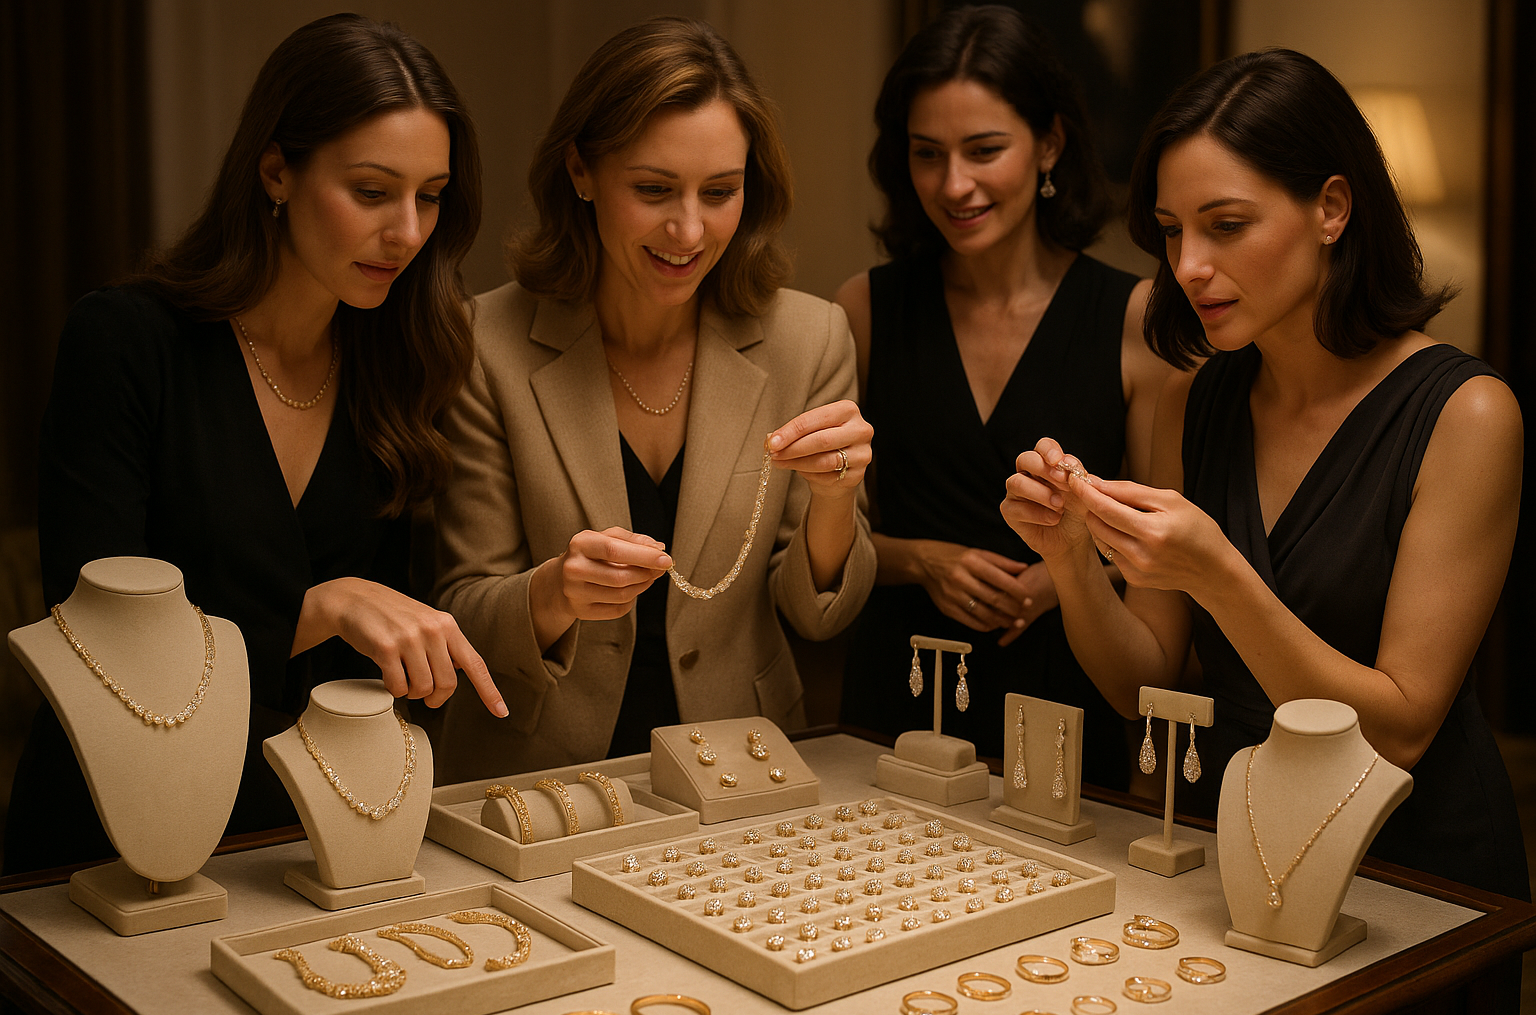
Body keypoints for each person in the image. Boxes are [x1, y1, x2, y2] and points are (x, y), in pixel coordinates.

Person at [1001, 49, 1527, 898]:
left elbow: (1397, 735)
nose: (1189, 266)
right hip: (1236, 846)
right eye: (1173, 230)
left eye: (1227, 225)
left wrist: (1218, 573)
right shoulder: (1199, 400)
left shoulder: (1466, 415)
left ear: (1331, 207)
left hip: (1412, 867)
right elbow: (1145, 687)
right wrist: (1067, 555)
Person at [7, 14, 506, 874]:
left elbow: (387, 659)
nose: (410, 233)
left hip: (299, 838)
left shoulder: (399, 359)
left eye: (431, 195)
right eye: (373, 191)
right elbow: (96, 640)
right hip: (108, 842)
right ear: (276, 170)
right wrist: (320, 607)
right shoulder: (126, 341)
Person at [431, 16, 876, 781]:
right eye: (653, 189)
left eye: (721, 192)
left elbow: (819, 614)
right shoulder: (486, 343)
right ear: (580, 172)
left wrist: (836, 499)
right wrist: (554, 593)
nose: (689, 229)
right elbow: (462, 608)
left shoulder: (811, 337)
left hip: (746, 767)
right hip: (536, 776)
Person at [835, 5, 1173, 788]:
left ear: (1050, 143)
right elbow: (812, 549)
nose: (954, 185)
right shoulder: (864, 310)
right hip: (899, 698)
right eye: (928, 155)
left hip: (1062, 698)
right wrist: (922, 561)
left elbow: (1163, 547)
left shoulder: (1133, 320)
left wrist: (1065, 576)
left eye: (984, 150)